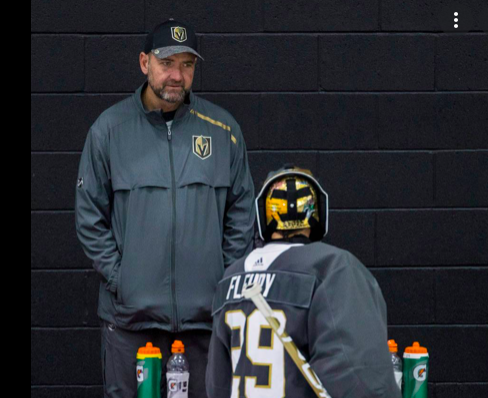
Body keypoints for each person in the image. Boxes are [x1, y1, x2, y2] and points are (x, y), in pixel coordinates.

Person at [75, 19, 255, 398]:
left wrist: (221, 278)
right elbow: (89, 216)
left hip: (204, 324)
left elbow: (241, 212)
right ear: (144, 64)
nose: (177, 75)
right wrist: (122, 279)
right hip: (130, 324)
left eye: (187, 65)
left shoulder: (223, 130)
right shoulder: (109, 130)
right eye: (167, 62)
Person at [206, 165, 402, 398]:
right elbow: (359, 379)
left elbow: (217, 386)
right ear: (315, 210)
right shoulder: (333, 268)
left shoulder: (231, 279)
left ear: (265, 214)